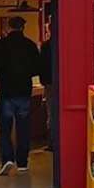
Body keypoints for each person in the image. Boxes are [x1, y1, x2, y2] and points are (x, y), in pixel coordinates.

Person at [0, 16, 40, 175]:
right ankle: (22, 162)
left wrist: (0, 73)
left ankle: (7, 158)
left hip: (5, 93)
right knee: (23, 128)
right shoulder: (29, 45)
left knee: (5, 129)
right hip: (23, 92)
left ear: (8, 27)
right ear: (23, 27)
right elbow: (37, 68)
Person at [39, 18, 53, 152]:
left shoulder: (45, 46)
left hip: (49, 83)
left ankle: (52, 142)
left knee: (51, 113)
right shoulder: (66, 43)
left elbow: (41, 65)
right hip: (60, 84)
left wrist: (43, 81)